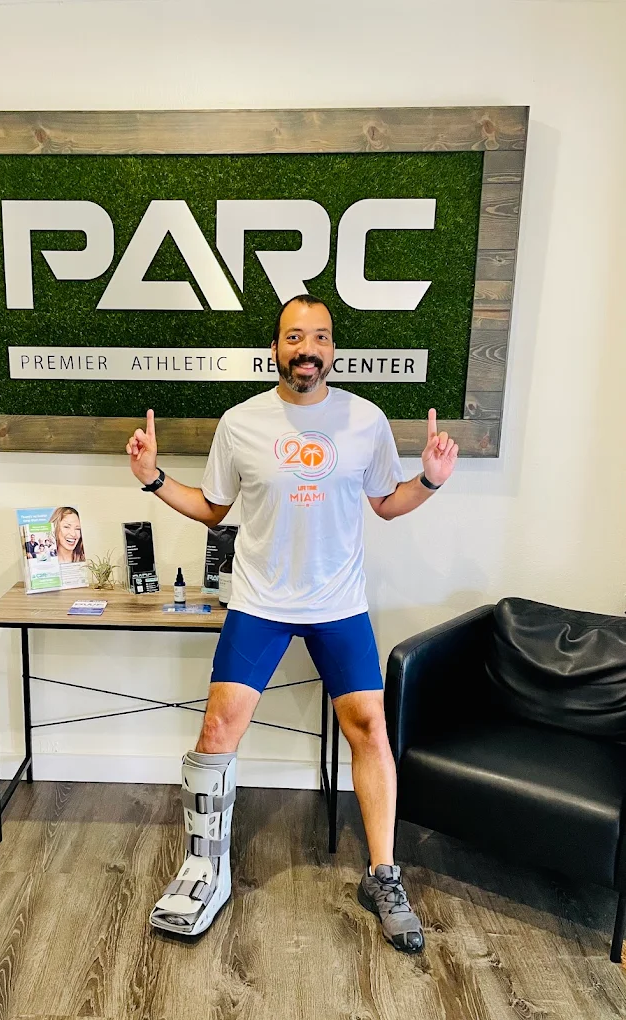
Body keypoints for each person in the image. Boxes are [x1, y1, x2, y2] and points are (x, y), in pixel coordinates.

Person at [127, 294, 458, 953]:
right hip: (260, 601)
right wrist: (152, 477)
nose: (308, 349)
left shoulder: (365, 420)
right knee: (217, 728)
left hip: (338, 604)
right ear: (275, 348)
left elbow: (386, 505)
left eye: (321, 337)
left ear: (333, 349)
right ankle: (204, 868)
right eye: (295, 337)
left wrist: (430, 480)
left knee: (369, 729)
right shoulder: (240, 422)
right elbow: (214, 508)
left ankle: (383, 876)